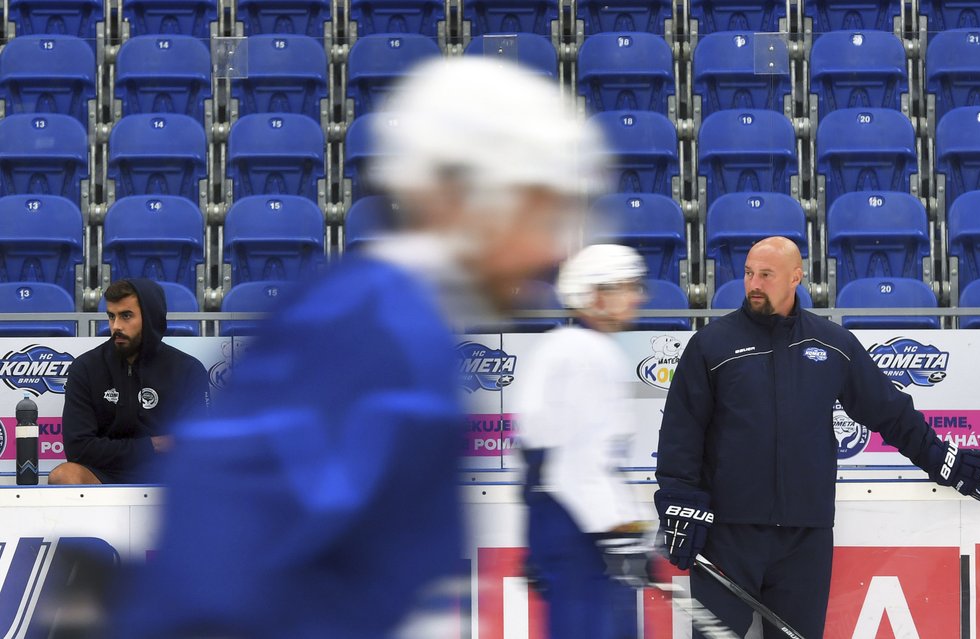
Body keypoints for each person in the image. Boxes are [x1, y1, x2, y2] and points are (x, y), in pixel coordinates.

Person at [114, 57, 605, 638]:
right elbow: (220, 566)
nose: (552, 251)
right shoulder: (377, 336)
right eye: (540, 212)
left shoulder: (390, 321)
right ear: (463, 196)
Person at [655, 236, 980, 638]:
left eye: (765, 274)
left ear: (797, 276)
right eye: (747, 273)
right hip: (727, 536)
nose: (753, 283)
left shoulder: (832, 344)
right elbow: (681, 432)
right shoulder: (712, 345)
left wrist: (942, 459)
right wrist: (680, 502)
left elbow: (890, 412)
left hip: (804, 540)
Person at [517, 244, 651, 639]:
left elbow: (542, 458)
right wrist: (620, 533)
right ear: (596, 295)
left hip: (564, 521)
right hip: (580, 530)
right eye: (627, 286)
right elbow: (580, 465)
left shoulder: (566, 347)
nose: (637, 296)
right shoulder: (588, 354)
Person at [49, 279, 209, 485]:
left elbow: (195, 446)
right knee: (64, 476)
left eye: (126, 316)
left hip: (170, 477)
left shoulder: (188, 369)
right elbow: (78, 449)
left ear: (150, 317)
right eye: (111, 316)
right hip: (105, 475)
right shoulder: (86, 368)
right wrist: (154, 445)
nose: (116, 326)